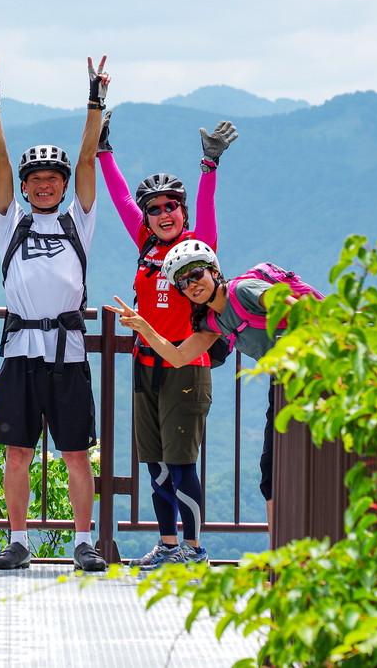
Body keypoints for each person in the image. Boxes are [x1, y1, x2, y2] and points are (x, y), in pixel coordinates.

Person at [0, 55, 108, 572]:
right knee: (17, 454)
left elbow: (88, 164)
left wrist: (95, 101)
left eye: (54, 177)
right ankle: (18, 541)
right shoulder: (11, 225)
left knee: (77, 454)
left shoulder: (80, 222)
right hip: (20, 354)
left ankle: (83, 542)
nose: (47, 184)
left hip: (68, 354)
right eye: (38, 179)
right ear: (27, 187)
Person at [96, 113, 237, 569]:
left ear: (183, 211)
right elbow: (120, 199)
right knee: (155, 464)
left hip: (186, 368)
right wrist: (103, 152)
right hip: (145, 365)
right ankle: (167, 544)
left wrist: (209, 167)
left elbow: (208, 211)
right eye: (153, 208)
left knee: (182, 465)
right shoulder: (145, 244)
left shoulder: (199, 246)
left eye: (170, 206)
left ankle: (195, 551)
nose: (162, 214)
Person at [107, 241, 304, 535]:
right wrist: (144, 327)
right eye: (183, 282)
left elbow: (304, 311)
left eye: (196, 273)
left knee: (305, 466)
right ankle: (282, 563)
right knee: (273, 473)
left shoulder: (243, 291)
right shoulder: (213, 320)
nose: (191, 284)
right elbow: (178, 357)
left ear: (213, 271)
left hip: (315, 373)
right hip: (285, 382)